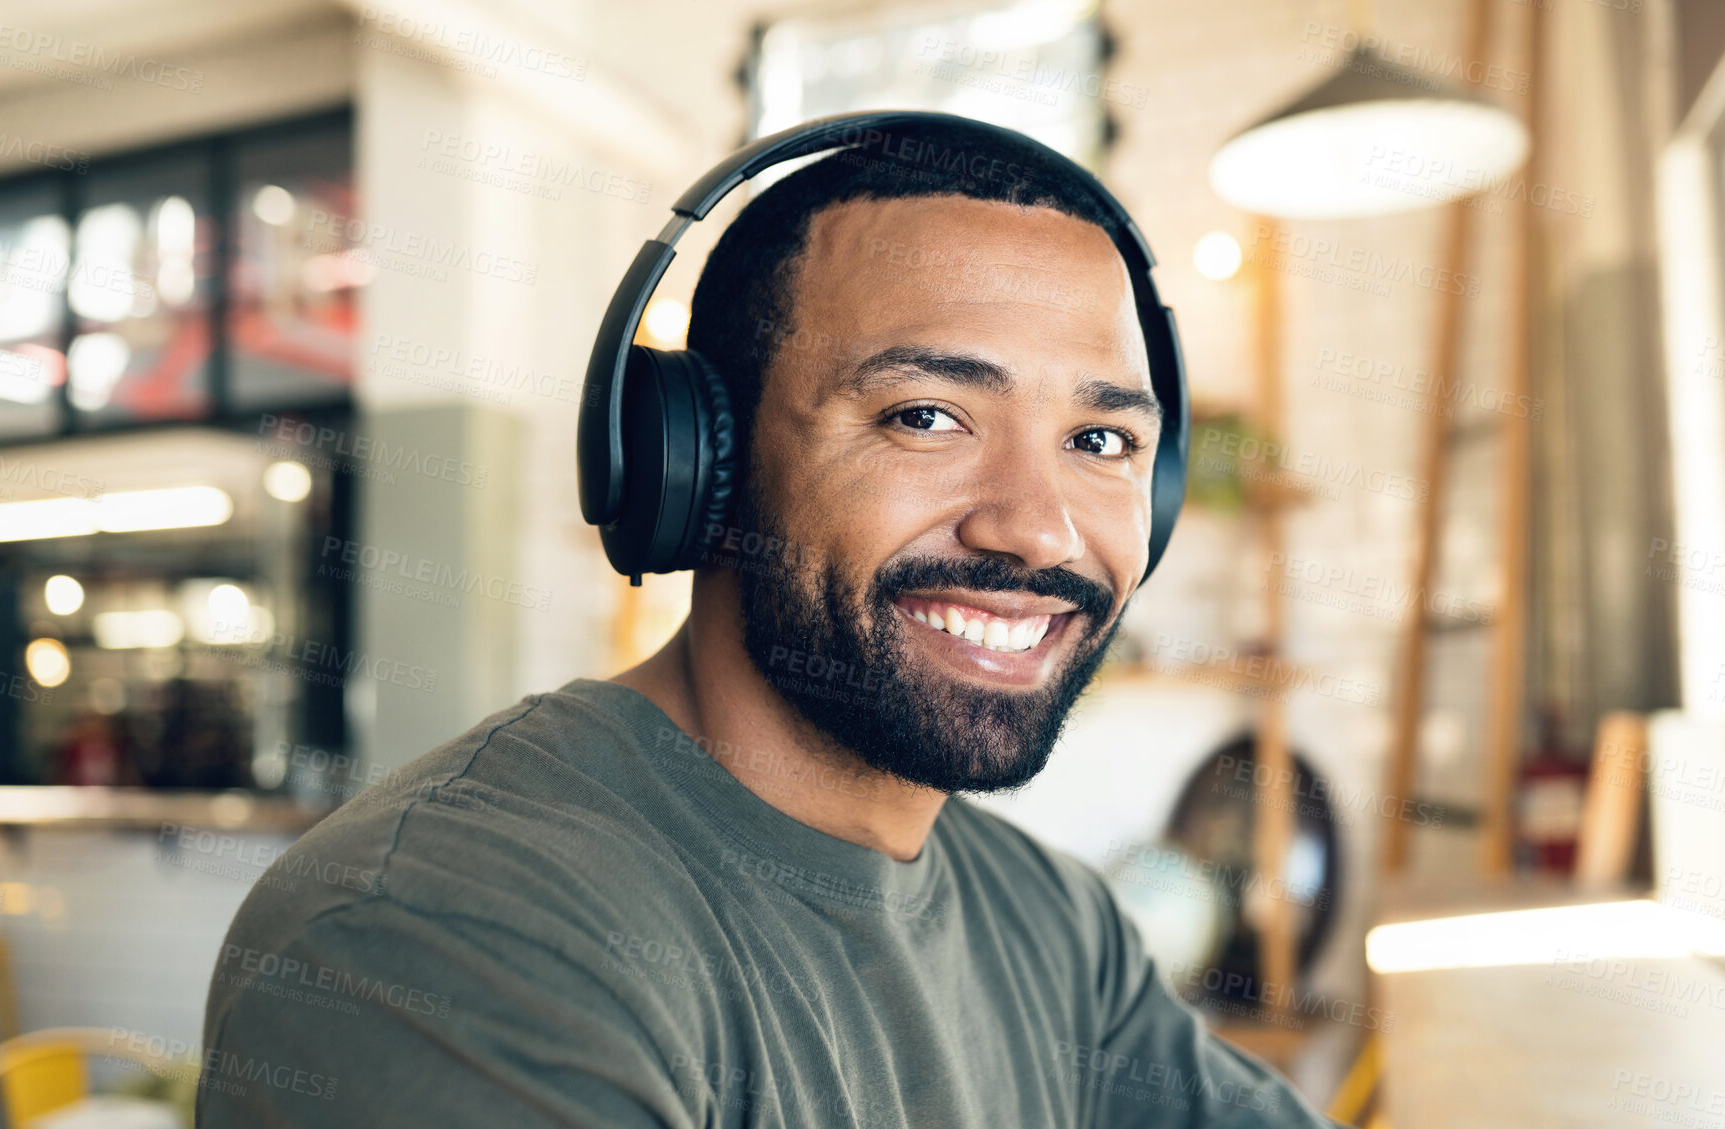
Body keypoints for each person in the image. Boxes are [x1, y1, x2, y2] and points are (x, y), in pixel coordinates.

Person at [199, 118, 1341, 1128]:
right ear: (699, 461)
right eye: (926, 415)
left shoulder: (1051, 927)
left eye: (1100, 442)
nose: (1037, 532)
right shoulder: (443, 932)